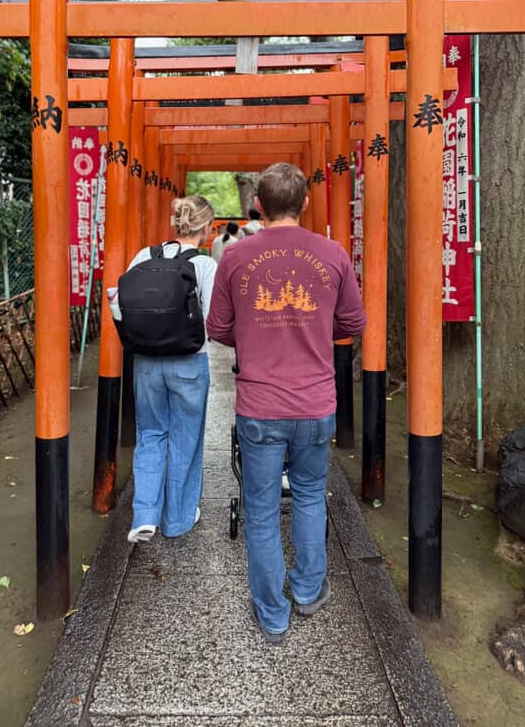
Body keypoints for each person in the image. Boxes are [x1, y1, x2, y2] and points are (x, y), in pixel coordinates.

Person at [207, 163, 366, 644]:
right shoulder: (332, 254)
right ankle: (309, 590)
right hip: (315, 402)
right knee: (311, 494)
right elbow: (353, 322)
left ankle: (273, 614)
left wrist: (254, 339)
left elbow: (217, 328)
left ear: (258, 205)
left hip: (260, 404)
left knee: (259, 508)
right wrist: (314, 330)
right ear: (306, 203)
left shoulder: (236, 255)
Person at [126, 195, 217, 544]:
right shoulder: (205, 265)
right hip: (189, 361)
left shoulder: (143, 257)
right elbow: (212, 320)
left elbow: (123, 303)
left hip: (146, 362)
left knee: (150, 434)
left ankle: (144, 516)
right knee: (185, 438)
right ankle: (177, 519)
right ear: (206, 228)